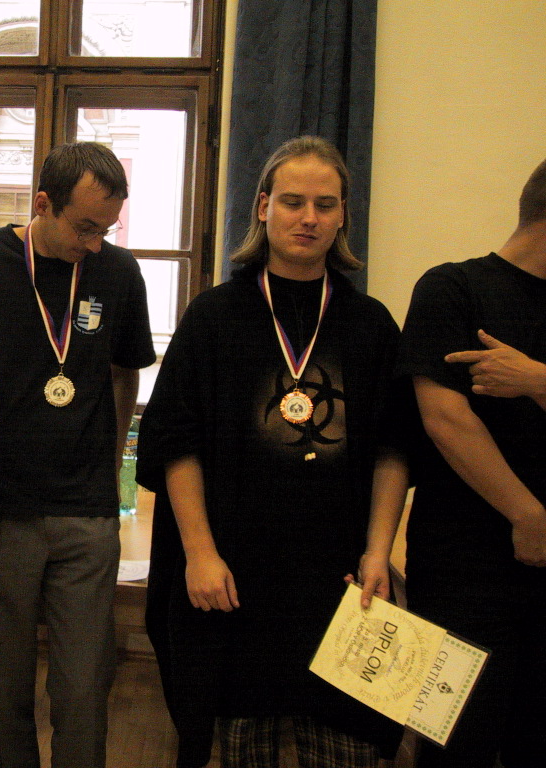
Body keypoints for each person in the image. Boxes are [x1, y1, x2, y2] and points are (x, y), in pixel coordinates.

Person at [137, 136, 409, 768]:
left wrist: (379, 552)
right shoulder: (213, 317)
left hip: (340, 576)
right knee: (241, 748)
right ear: (263, 207)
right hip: (233, 577)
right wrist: (200, 554)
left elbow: (394, 449)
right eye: (292, 202)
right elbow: (176, 443)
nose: (308, 218)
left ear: (343, 216)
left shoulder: (371, 324)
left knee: (349, 748)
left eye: (324, 204)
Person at [0, 141, 155, 768]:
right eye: (84, 227)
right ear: (41, 204)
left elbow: (125, 373)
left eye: (106, 229)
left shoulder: (118, 272)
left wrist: (108, 461)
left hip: (86, 515)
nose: (95, 243)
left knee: (84, 689)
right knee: (2, 688)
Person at [395, 156, 546, 768]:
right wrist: (528, 513)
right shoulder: (452, 288)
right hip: (462, 572)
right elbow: (445, 419)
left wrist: (538, 380)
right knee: (453, 749)